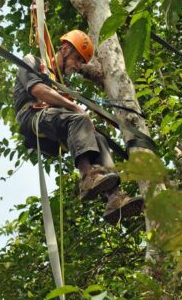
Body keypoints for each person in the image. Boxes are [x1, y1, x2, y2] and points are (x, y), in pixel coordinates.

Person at [14, 29, 143, 224]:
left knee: (98, 137)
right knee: (79, 118)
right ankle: (87, 178)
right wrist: (74, 106)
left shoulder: (60, 83)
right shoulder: (34, 62)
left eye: (82, 62)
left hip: (53, 122)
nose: (79, 66)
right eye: (77, 59)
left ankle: (114, 197)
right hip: (31, 115)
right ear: (65, 50)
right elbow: (37, 89)